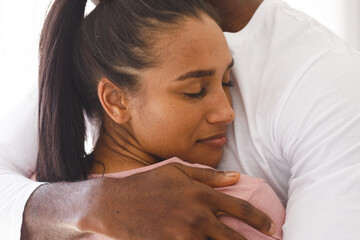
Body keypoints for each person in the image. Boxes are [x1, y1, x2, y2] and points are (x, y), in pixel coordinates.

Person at [0, 0, 359, 239]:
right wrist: (94, 205)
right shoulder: (117, 51)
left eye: (227, 84)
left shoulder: (327, 82)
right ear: (113, 100)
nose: (227, 113)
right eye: (193, 91)